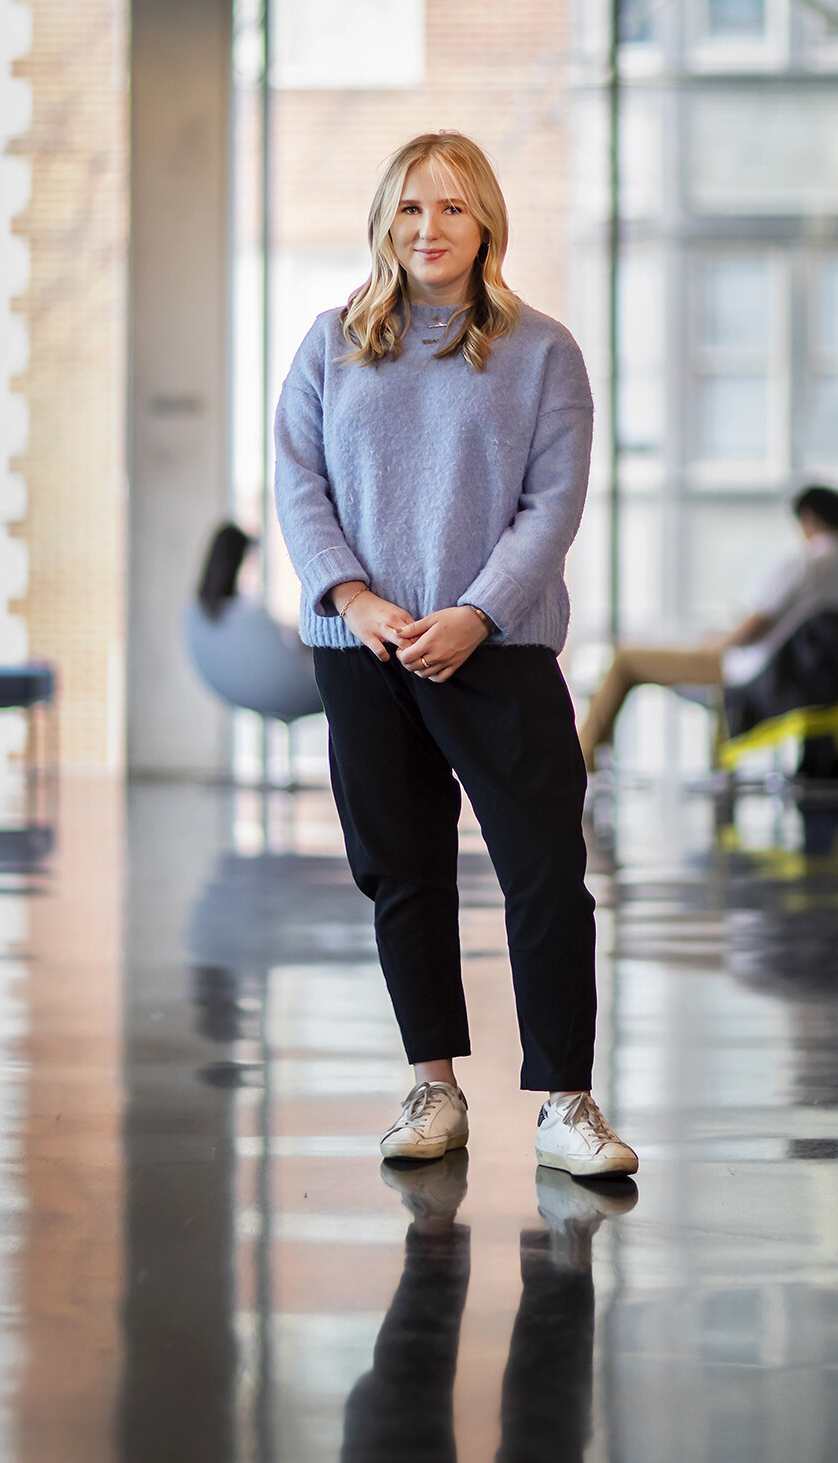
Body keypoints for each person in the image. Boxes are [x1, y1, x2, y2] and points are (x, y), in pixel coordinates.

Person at [274, 131, 637, 1180]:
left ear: (485, 223)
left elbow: (551, 505)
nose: (427, 228)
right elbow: (299, 482)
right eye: (408, 208)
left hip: (498, 645)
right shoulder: (330, 342)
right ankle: (433, 1087)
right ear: (384, 222)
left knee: (546, 870)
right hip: (365, 649)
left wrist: (476, 612)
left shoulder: (543, 351)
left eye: (450, 207)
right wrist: (354, 599)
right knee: (402, 872)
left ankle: (565, 1102)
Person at [578, 484, 838, 766]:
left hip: (752, 673)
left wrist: (718, 643)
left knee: (626, 660)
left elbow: (754, 626)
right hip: (801, 685)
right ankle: (718, 775)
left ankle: (582, 756)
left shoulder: (804, 565)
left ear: (809, 518)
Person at [185, 522, 324, 723]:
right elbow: (286, 644)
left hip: (259, 694)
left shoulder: (197, 616)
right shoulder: (248, 617)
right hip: (299, 684)